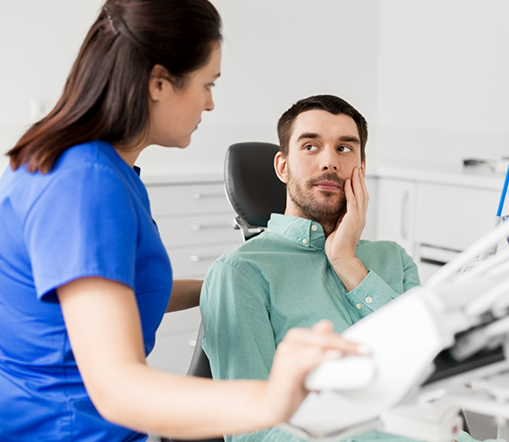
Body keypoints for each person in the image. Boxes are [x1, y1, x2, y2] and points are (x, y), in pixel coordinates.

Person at [0, 4, 364, 441]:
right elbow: (118, 390)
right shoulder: (85, 185)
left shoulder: (99, 169)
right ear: (158, 83)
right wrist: (273, 398)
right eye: (207, 84)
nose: (210, 103)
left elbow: (113, 291)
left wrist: (236, 278)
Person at [199, 95, 475, 442]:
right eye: (311, 146)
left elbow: (430, 375)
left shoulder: (393, 258)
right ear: (283, 166)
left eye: (345, 149)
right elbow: (253, 434)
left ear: (360, 165)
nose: (329, 161)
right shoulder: (240, 273)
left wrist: (347, 262)